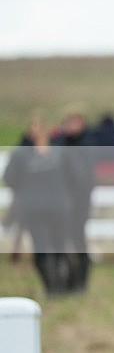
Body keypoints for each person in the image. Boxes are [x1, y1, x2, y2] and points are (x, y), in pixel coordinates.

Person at [3, 116, 73, 295]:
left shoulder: (59, 151)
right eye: (35, 126)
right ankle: (50, 286)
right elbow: (9, 178)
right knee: (40, 249)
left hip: (58, 207)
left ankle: (62, 284)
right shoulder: (21, 154)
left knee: (60, 248)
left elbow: (71, 176)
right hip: (34, 209)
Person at [53, 112, 96, 293]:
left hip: (78, 204)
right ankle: (66, 283)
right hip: (61, 203)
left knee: (78, 243)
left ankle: (80, 283)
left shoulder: (86, 144)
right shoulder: (59, 144)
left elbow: (84, 178)